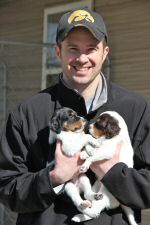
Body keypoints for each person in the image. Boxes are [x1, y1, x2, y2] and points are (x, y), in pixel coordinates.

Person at [0, 7, 150, 225]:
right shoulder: (28, 113)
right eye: (73, 49)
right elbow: (7, 186)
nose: (82, 58)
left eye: (91, 49)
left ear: (104, 53)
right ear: (58, 52)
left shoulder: (136, 108)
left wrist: (113, 173)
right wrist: (54, 177)